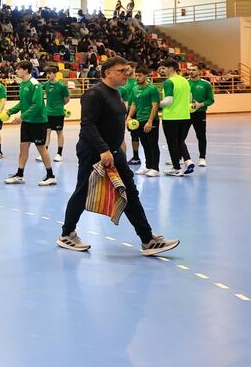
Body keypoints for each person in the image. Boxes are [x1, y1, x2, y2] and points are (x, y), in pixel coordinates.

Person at [58, 56, 180, 256]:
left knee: (130, 192)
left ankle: (148, 240)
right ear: (107, 73)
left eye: (127, 70)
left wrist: (117, 149)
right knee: (82, 191)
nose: (127, 73)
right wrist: (103, 150)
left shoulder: (117, 93)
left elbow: (113, 125)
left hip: (114, 152)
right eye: (122, 71)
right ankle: (66, 234)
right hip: (94, 152)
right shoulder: (94, 94)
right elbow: (88, 124)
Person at [4, 60, 57, 186]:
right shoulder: (23, 84)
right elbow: (22, 103)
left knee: (41, 149)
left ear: (26, 70)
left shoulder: (35, 84)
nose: (16, 71)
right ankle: (19, 175)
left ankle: (51, 176)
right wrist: (10, 111)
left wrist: (22, 117)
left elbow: (37, 105)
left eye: (18, 69)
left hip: (38, 122)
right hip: (27, 122)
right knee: (23, 148)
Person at [158, 59, 194, 177]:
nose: (161, 70)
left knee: (172, 143)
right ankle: (188, 161)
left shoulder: (169, 82)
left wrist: (156, 103)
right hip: (185, 115)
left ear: (171, 68)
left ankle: (176, 167)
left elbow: (168, 101)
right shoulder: (185, 81)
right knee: (180, 141)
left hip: (171, 117)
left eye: (164, 68)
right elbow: (190, 97)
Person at [127, 71, 160, 177]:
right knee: (145, 144)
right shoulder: (135, 89)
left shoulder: (152, 89)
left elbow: (155, 106)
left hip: (151, 120)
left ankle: (155, 168)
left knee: (152, 144)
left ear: (146, 76)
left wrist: (150, 121)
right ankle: (148, 166)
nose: (137, 77)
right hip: (139, 120)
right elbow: (133, 104)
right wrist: (129, 117)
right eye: (136, 75)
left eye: (140, 75)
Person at [41, 65, 69, 162]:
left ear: (55, 74)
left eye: (50, 73)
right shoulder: (46, 84)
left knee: (59, 132)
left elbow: (66, 99)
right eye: (47, 73)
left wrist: (59, 106)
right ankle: (44, 153)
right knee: (47, 132)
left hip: (58, 113)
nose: (47, 75)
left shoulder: (62, 86)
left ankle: (59, 154)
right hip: (47, 112)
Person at [187, 65, 214, 167]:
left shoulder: (205, 84)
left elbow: (211, 100)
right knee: (181, 136)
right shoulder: (185, 83)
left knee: (201, 136)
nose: (191, 72)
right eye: (189, 70)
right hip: (186, 113)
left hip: (200, 113)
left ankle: (202, 158)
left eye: (193, 70)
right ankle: (180, 156)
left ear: (199, 71)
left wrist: (200, 105)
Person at [119, 70, 140, 164]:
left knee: (140, 136)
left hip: (137, 111)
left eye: (128, 68)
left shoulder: (139, 81)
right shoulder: (124, 84)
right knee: (133, 135)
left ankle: (135, 157)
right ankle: (135, 157)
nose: (126, 71)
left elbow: (127, 103)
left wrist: (125, 115)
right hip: (130, 111)